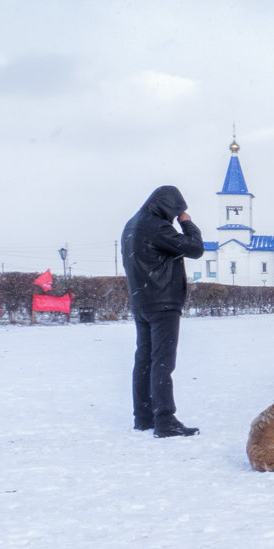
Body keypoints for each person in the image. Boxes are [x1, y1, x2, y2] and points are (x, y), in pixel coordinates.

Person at [121, 185, 204, 437]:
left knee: (144, 360)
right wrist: (188, 223)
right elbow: (195, 248)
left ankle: (144, 417)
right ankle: (165, 420)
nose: (176, 216)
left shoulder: (131, 225)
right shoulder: (157, 227)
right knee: (162, 362)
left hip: (142, 301)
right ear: (168, 207)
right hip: (163, 302)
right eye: (176, 210)